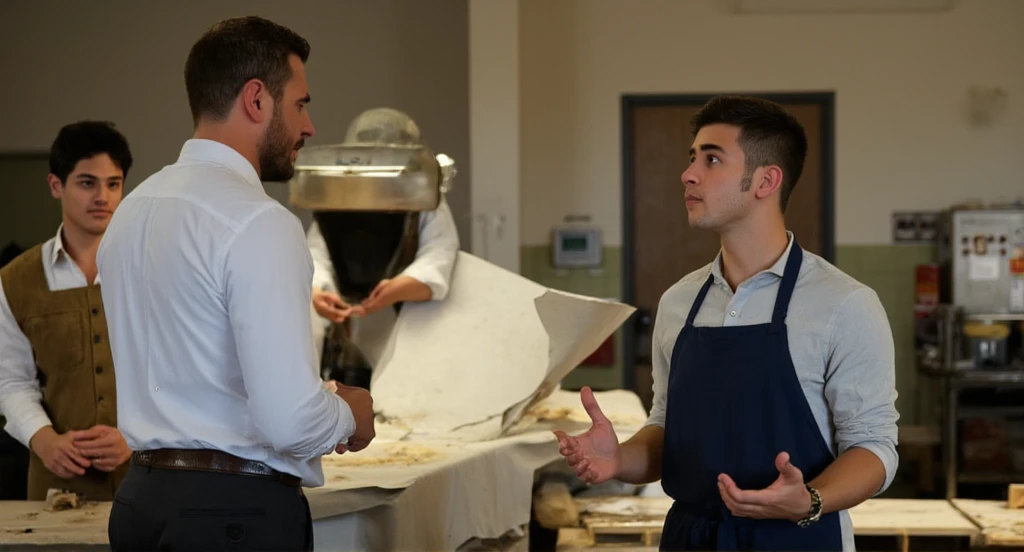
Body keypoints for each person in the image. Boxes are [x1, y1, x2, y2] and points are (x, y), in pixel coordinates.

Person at [554, 96, 899, 551]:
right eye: (692, 158)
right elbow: (665, 428)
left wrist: (810, 500)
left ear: (766, 180)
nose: (689, 174)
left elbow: (874, 448)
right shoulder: (679, 302)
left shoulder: (845, 305)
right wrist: (620, 458)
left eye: (712, 159)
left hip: (797, 540)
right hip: (689, 539)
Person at [96, 16, 375, 551]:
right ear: (256, 100)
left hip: (139, 503)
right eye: (300, 104)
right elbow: (289, 420)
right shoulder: (258, 221)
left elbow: (198, 371)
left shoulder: (131, 213)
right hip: (231, 517)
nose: (309, 126)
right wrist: (349, 414)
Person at [0, 121, 134, 501]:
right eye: (87, 182)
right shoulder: (16, 279)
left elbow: (175, 371)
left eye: (113, 183)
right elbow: (10, 381)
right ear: (56, 185)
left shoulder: (148, 269)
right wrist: (44, 441)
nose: (102, 197)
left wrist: (136, 438)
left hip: (144, 476)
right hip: (56, 483)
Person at [307, 107, 460, 389]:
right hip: (345, 337)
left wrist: (398, 288)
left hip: (412, 331)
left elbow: (439, 254)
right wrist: (320, 292)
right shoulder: (335, 199)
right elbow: (315, 255)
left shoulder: (425, 199)